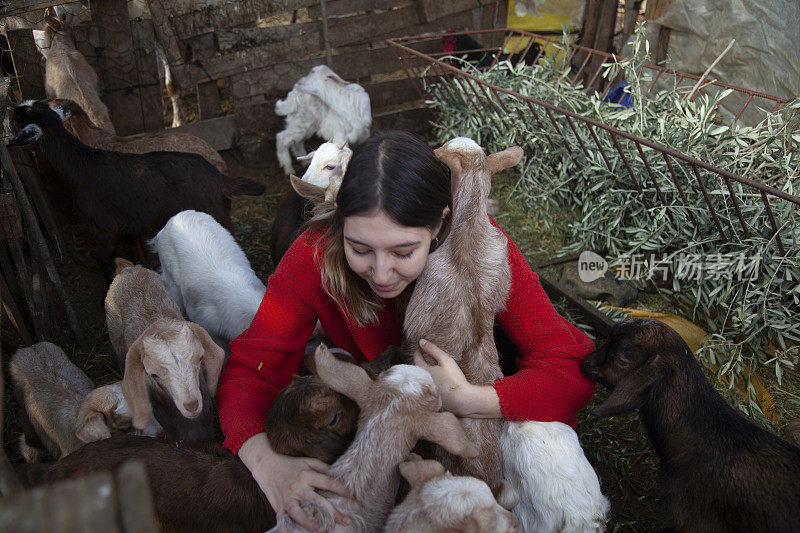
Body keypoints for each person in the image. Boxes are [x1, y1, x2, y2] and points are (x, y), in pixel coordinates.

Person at [217, 130, 596, 530]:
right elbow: (251, 369)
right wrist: (264, 460)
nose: (380, 273)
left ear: (438, 225)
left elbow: (570, 367)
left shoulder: (483, 250)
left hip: (478, 408)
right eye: (360, 249)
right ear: (340, 222)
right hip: (390, 409)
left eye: (403, 252)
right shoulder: (313, 254)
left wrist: (469, 399)